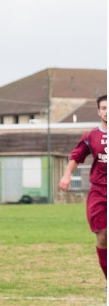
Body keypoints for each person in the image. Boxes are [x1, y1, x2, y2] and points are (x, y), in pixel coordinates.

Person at [59, 94, 107, 279]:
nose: (107, 111)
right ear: (98, 111)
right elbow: (77, 156)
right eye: (104, 108)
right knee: (102, 236)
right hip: (99, 191)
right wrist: (66, 175)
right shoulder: (90, 136)